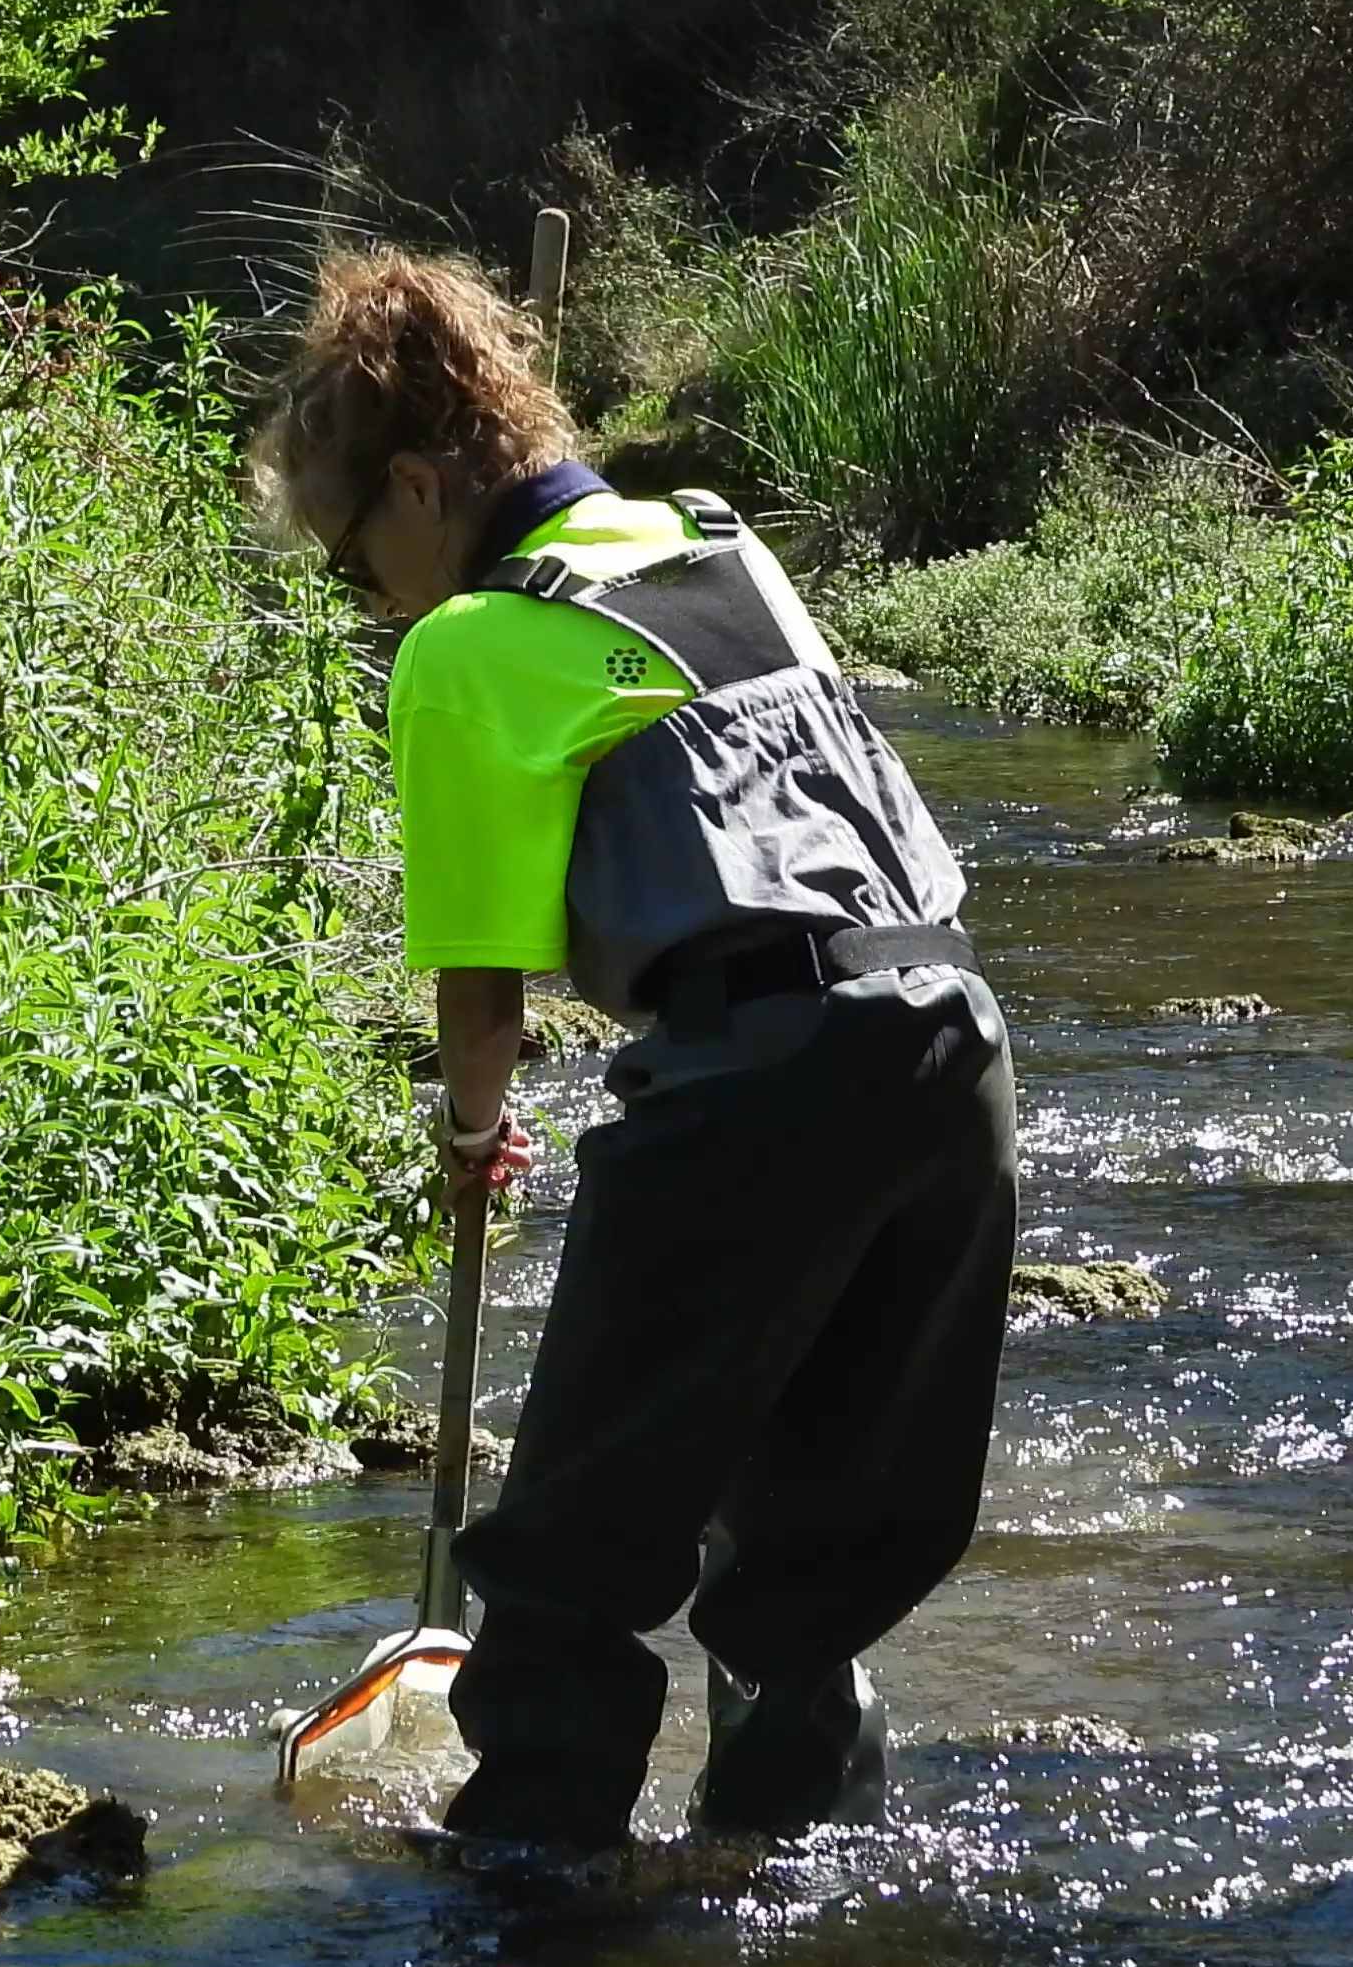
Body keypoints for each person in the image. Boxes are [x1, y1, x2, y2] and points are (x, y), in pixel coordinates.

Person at [249, 247, 1017, 1853]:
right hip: (952, 1043)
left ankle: (531, 1925)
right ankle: (786, 1884)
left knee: (573, 1559)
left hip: (758, 1076)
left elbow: (485, 1000)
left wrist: (472, 1142)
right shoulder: (715, 537)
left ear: (414, 485)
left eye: (348, 559)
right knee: (809, 1551)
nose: (365, 597)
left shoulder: (461, 646)